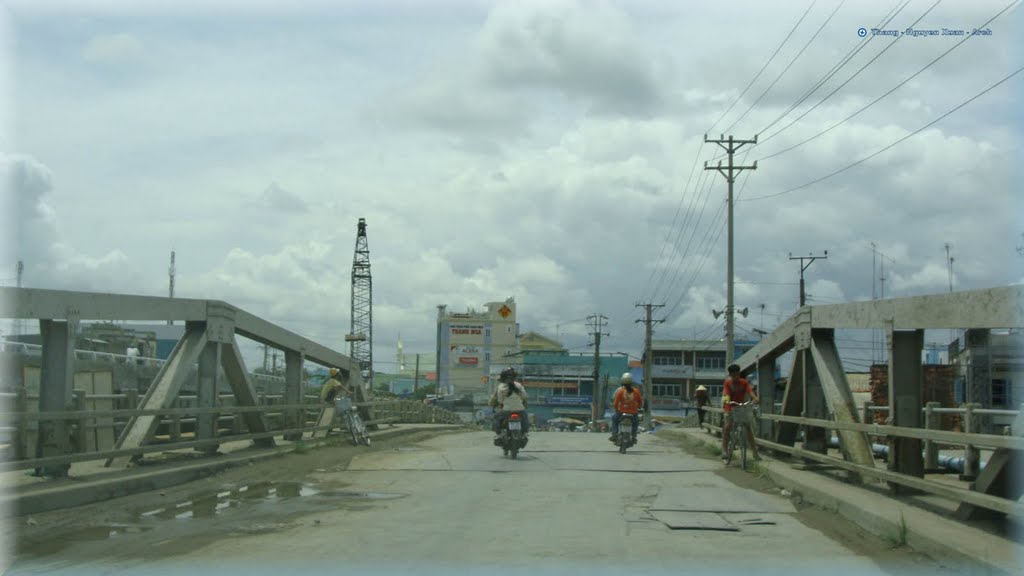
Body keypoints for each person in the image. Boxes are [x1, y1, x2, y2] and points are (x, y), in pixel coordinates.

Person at [721, 364, 761, 462]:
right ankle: (724, 449)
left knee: (748, 427)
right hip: (729, 406)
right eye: (733, 375)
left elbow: (750, 391)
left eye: (737, 375)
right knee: (727, 427)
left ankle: (755, 452)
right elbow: (726, 394)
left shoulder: (744, 382)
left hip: (741, 407)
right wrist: (726, 406)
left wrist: (755, 398)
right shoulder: (728, 383)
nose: (736, 377)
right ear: (730, 375)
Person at [489, 367, 529, 440]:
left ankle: (499, 433)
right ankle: (525, 433)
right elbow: (524, 396)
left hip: (506, 410)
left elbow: (500, 400)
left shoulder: (501, 387)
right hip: (520, 410)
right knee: (525, 418)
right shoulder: (519, 385)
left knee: (496, 418)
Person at [610, 372, 642, 442]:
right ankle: (634, 436)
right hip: (633, 413)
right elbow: (640, 401)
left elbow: (615, 403)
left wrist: (616, 410)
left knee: (614, 420)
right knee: (635, 423)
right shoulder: (636, 391)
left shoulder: (620, 391)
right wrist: (638, 407)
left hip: (621, 412)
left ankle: (614, 434)